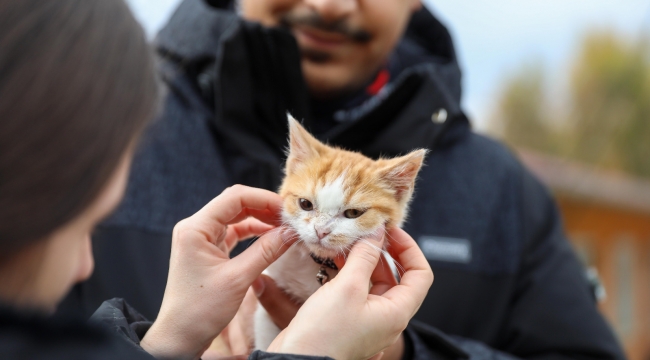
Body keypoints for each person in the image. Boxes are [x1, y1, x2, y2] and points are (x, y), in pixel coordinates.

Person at [58, 0, 627, 358]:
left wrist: (404, 351)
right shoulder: (107, 125)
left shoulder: (504, 188)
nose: (329, 5)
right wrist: (160, 347)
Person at [0, 1, 434, 359]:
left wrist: (402, 350)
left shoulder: (490, 177)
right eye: (83, 226)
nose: (327, 5)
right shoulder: (133, 98)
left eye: (352, 213)